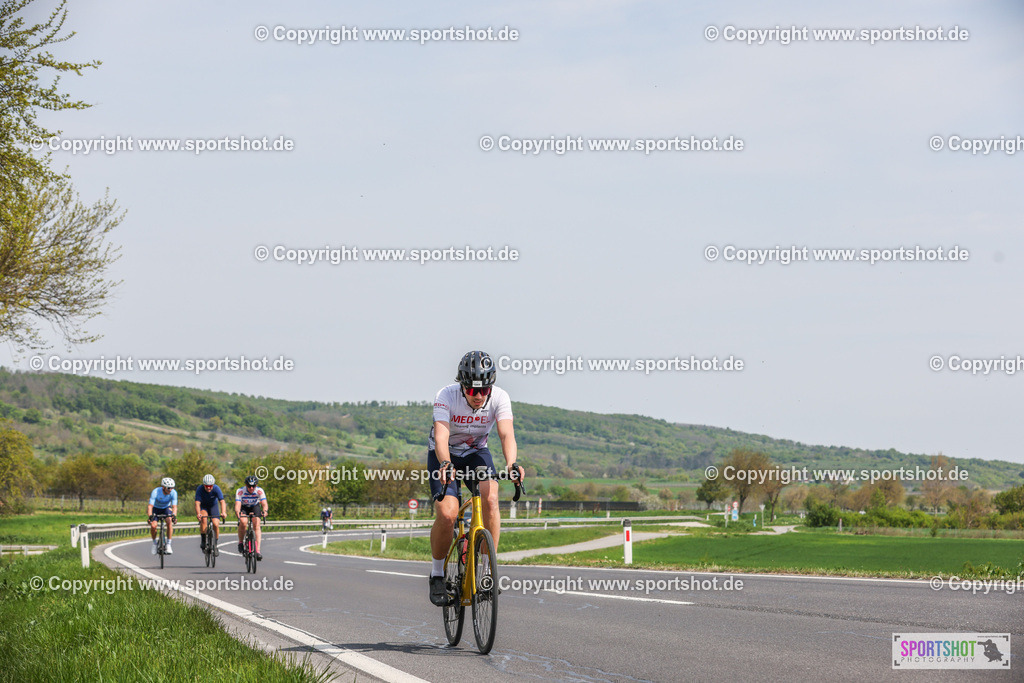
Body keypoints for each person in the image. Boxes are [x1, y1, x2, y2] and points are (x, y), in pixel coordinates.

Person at [427, 350, 524, 606]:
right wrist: (445, 463)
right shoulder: (445, 395)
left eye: (484, 390)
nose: (479, 396)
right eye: (472, 390)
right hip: (444, 454)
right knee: (448, 513)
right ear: (462, 386)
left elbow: (506, 435)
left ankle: (487, 572)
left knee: (491, 498)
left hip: (476, 453)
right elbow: (441, 436)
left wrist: (511, 464)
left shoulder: (500, 397)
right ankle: (437, 574)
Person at [235, 475, 268, 561]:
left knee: (256, 524)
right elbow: (238, 505)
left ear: (256, 485)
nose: (251, 488)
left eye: (253, 486)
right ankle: (241, 542)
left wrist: (265, 511)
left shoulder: (259, 491)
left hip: (254, 506)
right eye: (249, 486)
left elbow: (264, 503)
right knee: (243, 522)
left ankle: (258, 551)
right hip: (244, 507)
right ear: (246, 485)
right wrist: (238, 513)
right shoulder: (240, 491)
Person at [194, 474, 227, 555]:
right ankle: (203, 540)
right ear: (203, 485)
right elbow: (197, 503)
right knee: (204, 519)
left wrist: (223, 512)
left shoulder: (216, 488)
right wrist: (198, 514)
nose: (208, 488)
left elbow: (222, 501)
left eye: (210, 486)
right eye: (206, 486)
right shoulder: (200, 489)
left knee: (215, 524)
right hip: (203, 506)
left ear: (213, 485)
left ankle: (215, 545)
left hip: (213, 506)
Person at [146, 477, 178, 555]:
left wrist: (174, 516)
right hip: (156, 509)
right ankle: (154, 544)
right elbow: (150, 506)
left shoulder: (173, 493)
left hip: (166, 508)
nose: (171, 490)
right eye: (169, 488)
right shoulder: (155, 492)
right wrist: (150, 516)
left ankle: (168, 544)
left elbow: (174, 507)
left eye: (172, 488)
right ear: (163, 487)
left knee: (169, 522)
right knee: (153, 526)